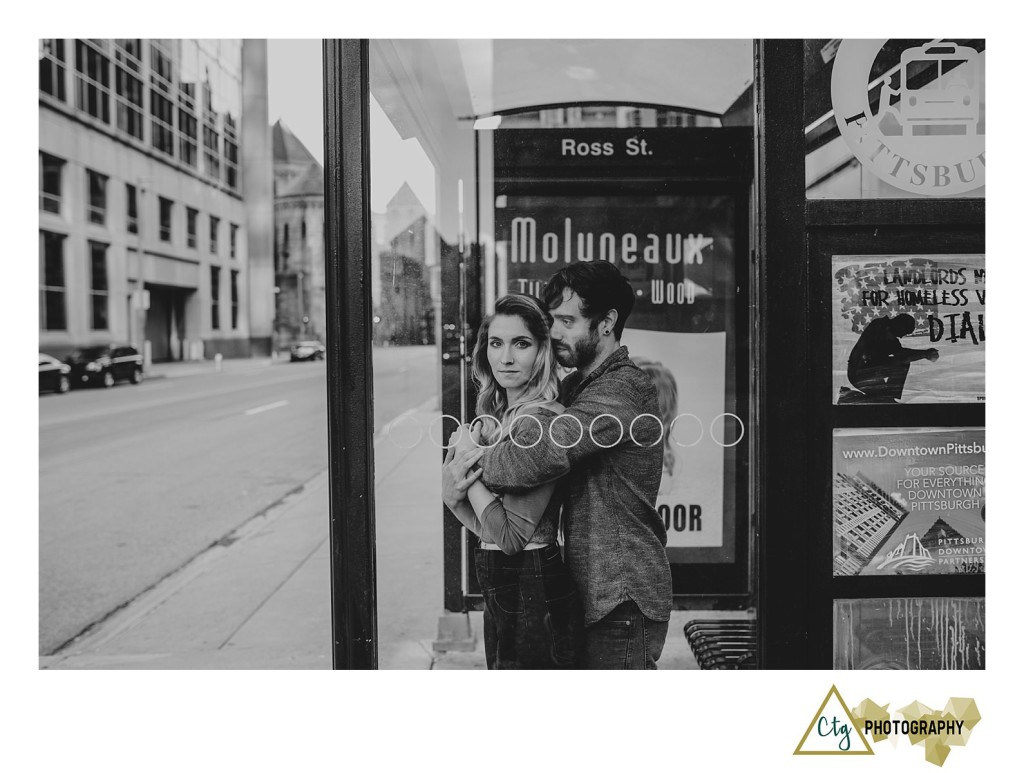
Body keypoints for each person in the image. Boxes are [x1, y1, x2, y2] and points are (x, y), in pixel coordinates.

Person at [454, 262, 672, 669]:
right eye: (551, 320)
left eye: (567, 321)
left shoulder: (621, 388)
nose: (554, 333)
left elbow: (533, 456)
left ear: (606, 323)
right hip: (587, 592)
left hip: (620, 596)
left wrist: (467, 453)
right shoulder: (576, 387)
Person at [441, 293, 582, 669]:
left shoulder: (540, 422)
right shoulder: (504, 415)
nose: (505, 357)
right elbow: (490, 533)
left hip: (532, 585)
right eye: (496, 343)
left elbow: (510, 538)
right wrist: (453, 496)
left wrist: (465, 468)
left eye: (521, 343)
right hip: (507, 581)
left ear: (542, 351)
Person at [843, 313, 939, 403]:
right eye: (904, 332)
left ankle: (887, 396)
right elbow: (902, 356)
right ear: (900, 326)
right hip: (860, 373)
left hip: (867, 370)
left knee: (881, 399)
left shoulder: (883, 328)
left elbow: (901, 354)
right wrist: (925, 354)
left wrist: (925, 354)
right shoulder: (881, 327)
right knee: (881, 399)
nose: (901, 336)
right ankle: (848, 397)